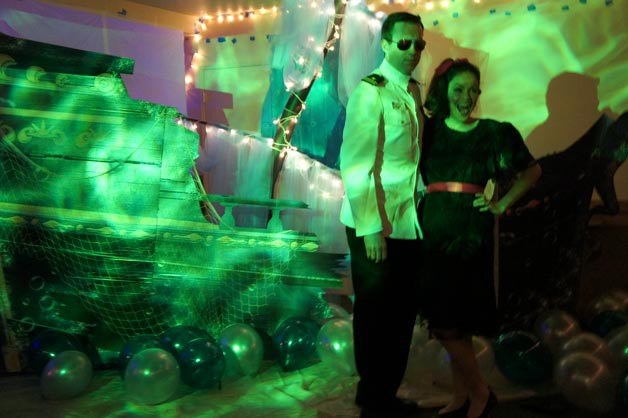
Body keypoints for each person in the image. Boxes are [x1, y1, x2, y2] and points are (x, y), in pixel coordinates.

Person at [418, 58, 542, 418]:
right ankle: (467, 395)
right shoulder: (430, 131)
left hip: (471, 232)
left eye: (473, 90)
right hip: (435, 228)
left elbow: (533, 171)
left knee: (458, 320)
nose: (467, 97)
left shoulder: (493, 132)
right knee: (446, 321)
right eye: (459, 89)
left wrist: (501, 203)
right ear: (446, 92)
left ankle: (478, 394)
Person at [338, 11, 426, 418]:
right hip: (372, 222)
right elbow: (356, 165)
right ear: (386, 43)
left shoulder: (411, 92)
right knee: (375, 315)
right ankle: (375, 399)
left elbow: (409, 163)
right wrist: (371, 228)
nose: (413, 51)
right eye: (404, 43)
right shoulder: (370, 91)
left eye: (419, 44)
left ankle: (381, 393)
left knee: (401, 314)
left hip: (406, 222)